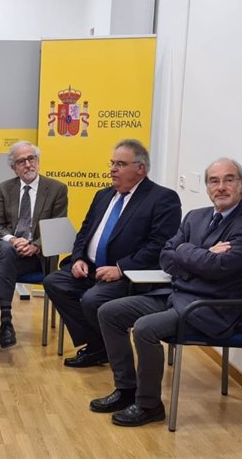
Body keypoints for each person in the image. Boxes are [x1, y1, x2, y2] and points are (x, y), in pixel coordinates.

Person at [91, 158, 242, 427]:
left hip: (211, 308)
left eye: (229, 180)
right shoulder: (197, 217)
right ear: (207, 187)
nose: (221, 187)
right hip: (177, 296)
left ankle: (149, 405)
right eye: (214, 181)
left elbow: (221, 267)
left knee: (146, 328)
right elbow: (165, 257)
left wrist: (186, 254)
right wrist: (198, 256)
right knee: (109, 312)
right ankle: (126, 390)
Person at [43, 139, 181, 367]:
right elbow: (84, 231)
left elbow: (159, 246)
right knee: (55, 282)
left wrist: (120, 269)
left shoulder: (162, 198)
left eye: (120, 164)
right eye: (112, 163)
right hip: (91, 268)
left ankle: (105, 348)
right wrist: (78, 258)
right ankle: (99, 345)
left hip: (128, 275)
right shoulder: (103, 195)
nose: (112, 169)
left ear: (140, 169)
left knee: (92, 299)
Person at [0, 141, 68, 355]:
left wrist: (35, 246)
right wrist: (12, 240)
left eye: (31, 159)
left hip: (35, 257)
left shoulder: (56, 189)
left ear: (37, 161)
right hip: (6, 247)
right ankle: (5, 322)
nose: (28, 164)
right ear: (14, 167)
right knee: (6, 252)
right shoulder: (4, 188)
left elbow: (57, 226)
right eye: (21, 161)